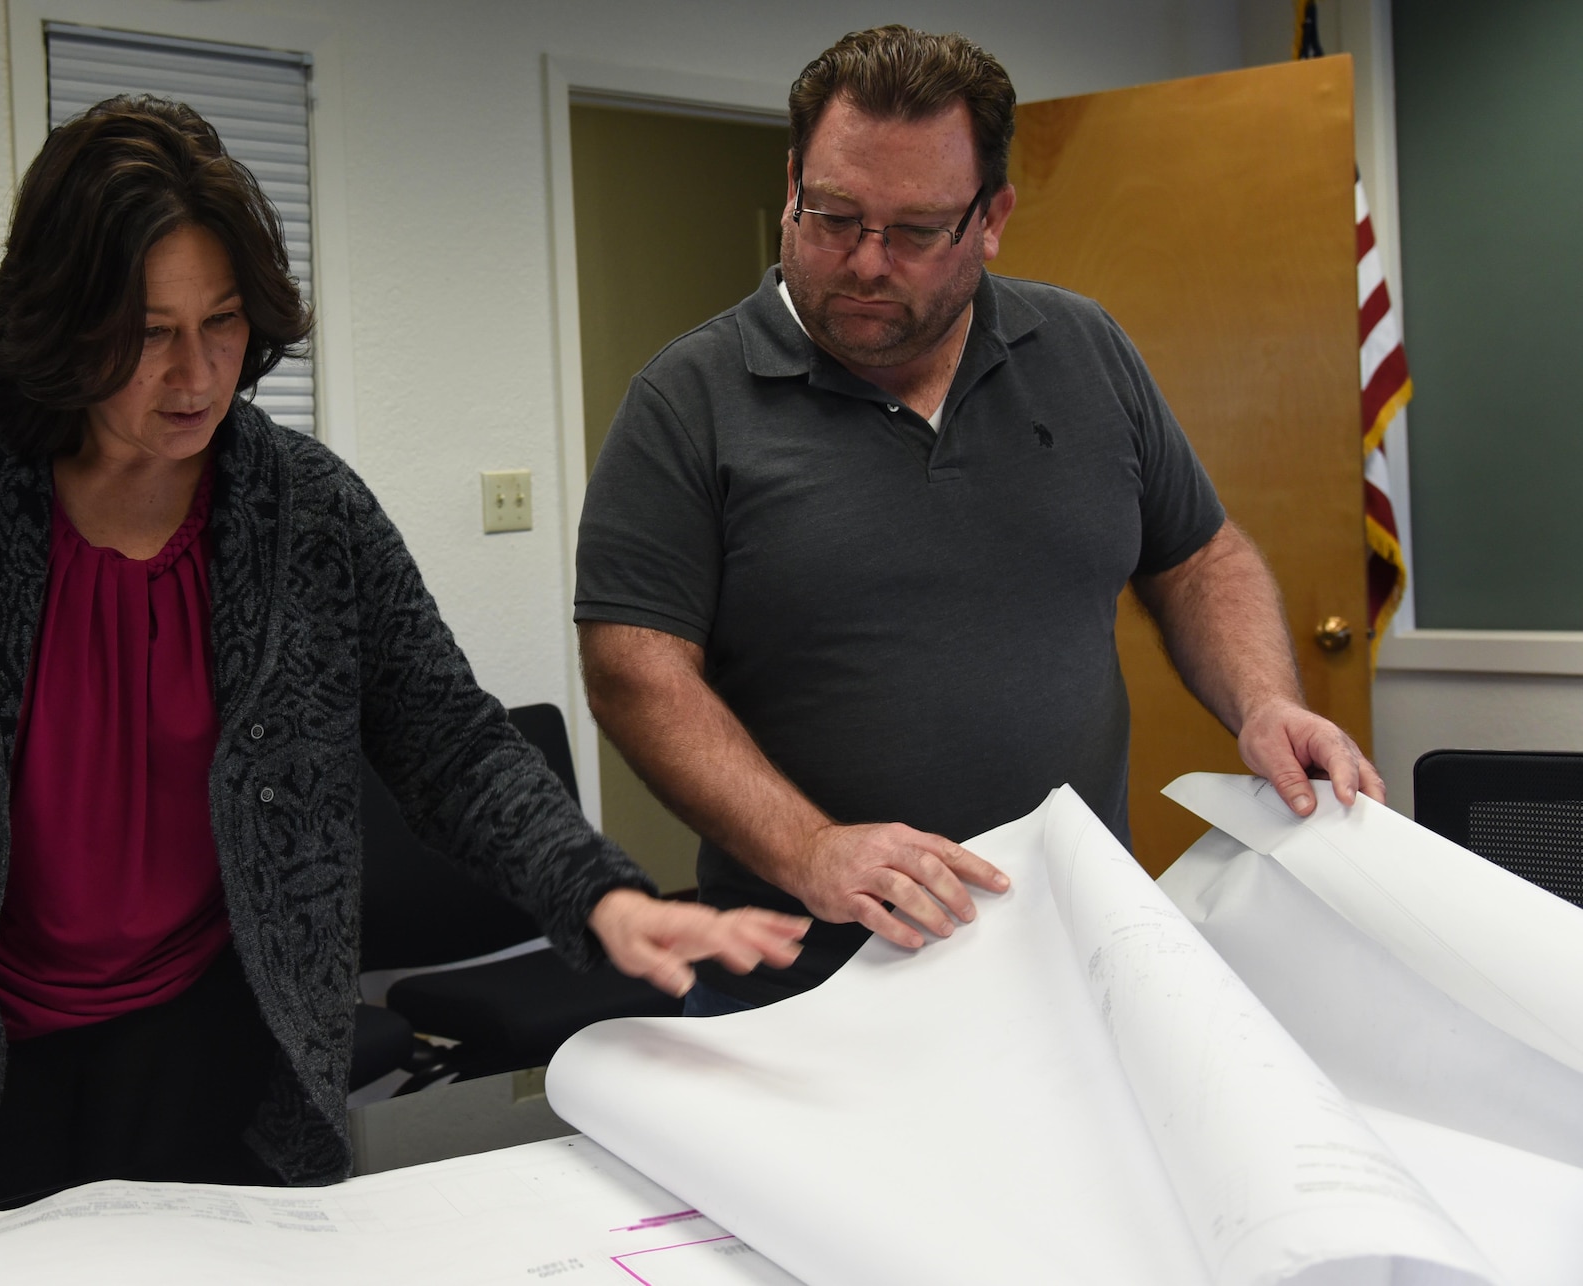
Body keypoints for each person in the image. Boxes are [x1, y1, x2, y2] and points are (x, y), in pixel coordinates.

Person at [0, 95, 806, 1285]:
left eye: (221, 320)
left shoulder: (307, 510)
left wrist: (601, 897)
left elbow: (449, 739)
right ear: (61, 321)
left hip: (225, 1055)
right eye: (146, 331)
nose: (197, 372)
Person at [573, 27, 1385, 1018]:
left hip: (1075, 957)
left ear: (990, 217)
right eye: (831, 216)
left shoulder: (1082, 347)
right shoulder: (686, 398)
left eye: (915, 230)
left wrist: (1260, 701)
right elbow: (634, 667)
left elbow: (1196, 554)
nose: (865, 261)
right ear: (790, 183)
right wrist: (808, 847)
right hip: (813, 989)